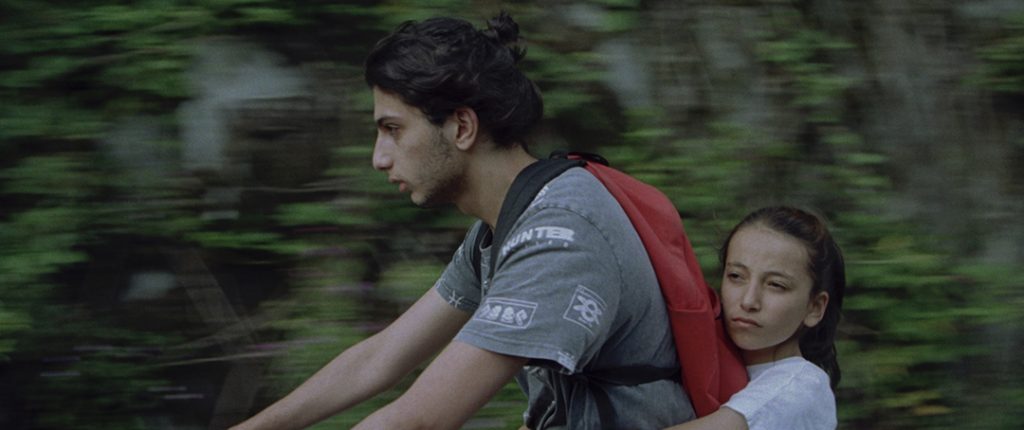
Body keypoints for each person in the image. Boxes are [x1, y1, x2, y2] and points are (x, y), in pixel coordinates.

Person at [231, 12, 693, 430]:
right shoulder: (503, 226)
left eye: (393, 129)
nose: (378, 158)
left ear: (462, 128)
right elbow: (380, 358)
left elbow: (420, 420)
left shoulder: (558, 237)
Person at [667, 206, 845, 430]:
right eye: (736, 276)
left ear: (814, 308)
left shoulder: (800, 386)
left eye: (776, 285)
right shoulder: (715, 359)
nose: (749, 301)